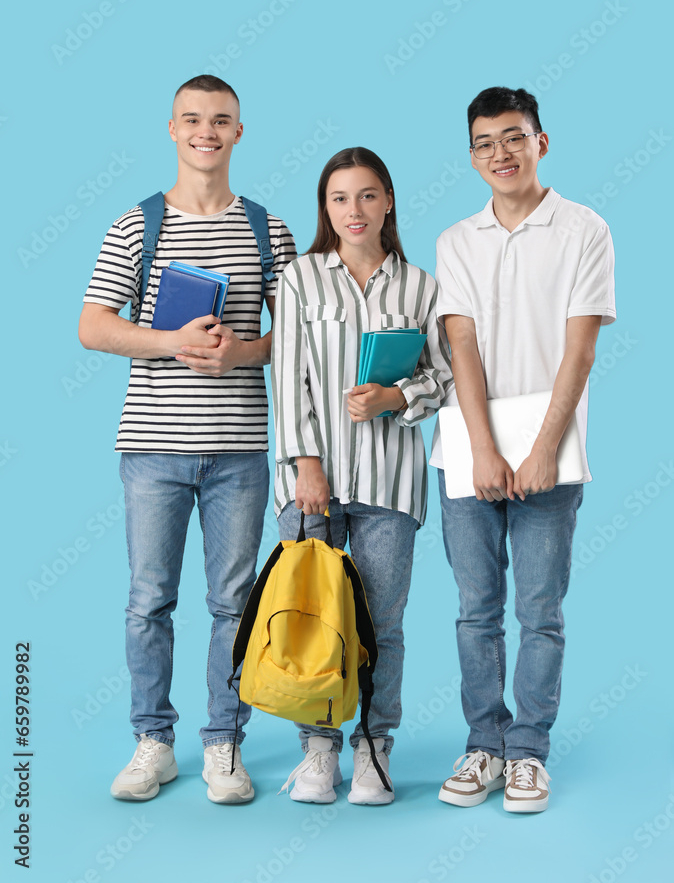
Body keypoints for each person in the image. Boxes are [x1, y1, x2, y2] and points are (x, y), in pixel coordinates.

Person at [78, 74, 297, 804]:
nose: (207, 130)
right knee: (149, 601)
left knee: (234, 603)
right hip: (153, 447)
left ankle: (224, 746)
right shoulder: (136, 225)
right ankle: (153, 743)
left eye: (222, 120)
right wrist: (171, 340)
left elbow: (296, 337)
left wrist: (241, 353)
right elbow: (93, 325)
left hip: (238, 449)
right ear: (172, 129)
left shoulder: (270, 230)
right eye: (193, 119)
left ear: (240, 132)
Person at [431, 87, 616, 813]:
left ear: (542, 142)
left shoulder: (584, 229)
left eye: (513, 138)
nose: (499, 153)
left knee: (540, 609)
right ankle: (484, 743)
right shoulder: (456, 240)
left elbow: (580, 350)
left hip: (551, 456)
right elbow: (462, 346)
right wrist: (482, 449)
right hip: (468, 451)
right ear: (471, 155)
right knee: (476, 608)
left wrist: (542, 450)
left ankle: (529, 751)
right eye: (484, 143)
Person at [271, 146, 453, 806]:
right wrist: (307, 468)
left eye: (368, 195)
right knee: (314, 618)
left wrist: (396, 398)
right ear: (326, 207)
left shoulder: (422, 286)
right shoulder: (299, 280)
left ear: (389, 201)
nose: (355, 210)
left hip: (390, 485)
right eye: (341, 198)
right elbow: (288, 378)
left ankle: (374, 751)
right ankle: (318, 753)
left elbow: (446, 376)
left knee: (383, 623)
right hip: (311, 482)